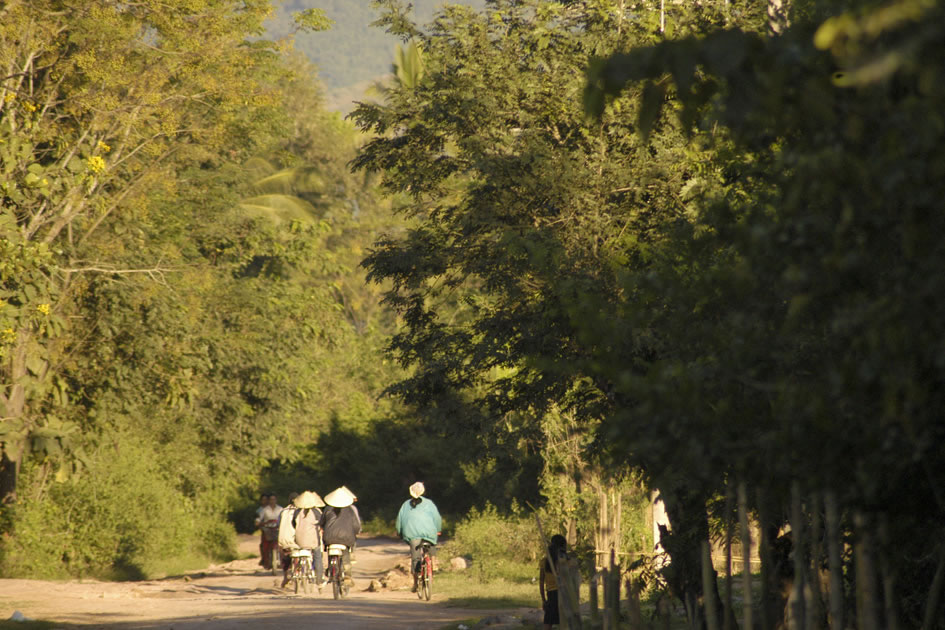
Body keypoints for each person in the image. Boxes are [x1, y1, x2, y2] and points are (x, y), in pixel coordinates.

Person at [395, 481, 442, 592]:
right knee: (430, 553)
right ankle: (431, 572)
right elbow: (437, 518)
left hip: (412, 534)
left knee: (416, 559)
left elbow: (399, 521)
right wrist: (438, 530)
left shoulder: (405, 505)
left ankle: (416, 582)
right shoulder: (429, 503)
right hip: (430, 534)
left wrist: (399, 532)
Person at [319, 486, 361, 585]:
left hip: (329, 538)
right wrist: (355, 532)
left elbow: (321, 523)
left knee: (329, 550)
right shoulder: (350, 510)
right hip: (345, 538)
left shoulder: (327, 509)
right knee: (345, 554)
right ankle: (347, 574)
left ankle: (330, 569)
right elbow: (356, 526)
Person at [291, 490, 326, 590]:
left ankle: (297, 572)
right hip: (313, 540)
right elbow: (322, 523)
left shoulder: (297, 512)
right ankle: (319, 580)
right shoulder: (316, 512)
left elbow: (293, 524)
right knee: (317, 556)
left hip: (299, 540)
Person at [539, 534, 568, 630]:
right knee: (565, 622)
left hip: (551, 595)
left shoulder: (544, 561)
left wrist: (544, 600)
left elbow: (541, 582)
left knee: (548, 622)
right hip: (563, 593)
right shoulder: (564, 560)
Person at [277, 492, 300, 587]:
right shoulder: (300, 511)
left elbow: (278, 524)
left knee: (284, 556)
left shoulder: (283, 511)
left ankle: (285, 576)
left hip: (283, 540)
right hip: (296, 540)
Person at [257, 493, 282, 570]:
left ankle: (281, 561)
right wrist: (257, 522)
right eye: (271, 499)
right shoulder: (265, 510)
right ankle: (266, 561)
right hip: (267, 529)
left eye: (274, 499)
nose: (272, 501)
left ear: (276, 500)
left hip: (277, 529)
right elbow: (259, 518)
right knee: (265, 545)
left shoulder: (280, 509)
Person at [254, 493, 269, 566]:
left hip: (274, 529)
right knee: (263, 545)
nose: (265, 501)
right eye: (263, 500)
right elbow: (257, 520)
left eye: (266, 500)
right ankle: (264, 558)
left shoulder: (274, 508)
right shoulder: (260, 510)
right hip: (265, 529)